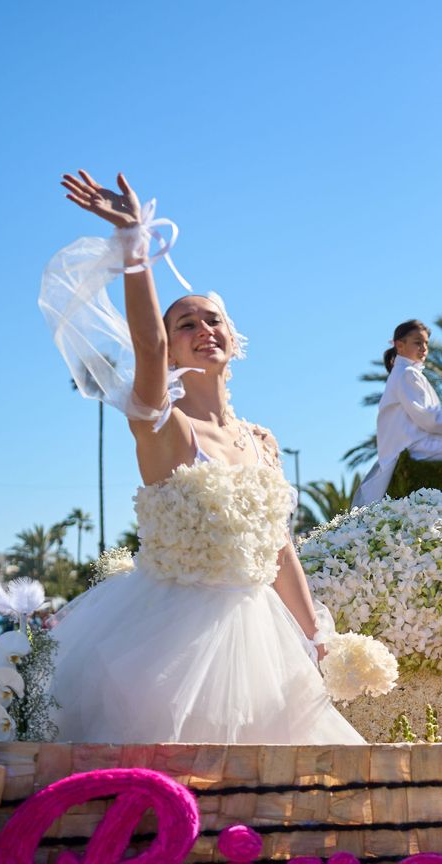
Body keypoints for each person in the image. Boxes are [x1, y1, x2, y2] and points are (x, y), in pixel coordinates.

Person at [41, 170, 362, 745]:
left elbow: (279, 547)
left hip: (263, 639)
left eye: (212, 319)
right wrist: (136, 249)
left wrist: (315, 635)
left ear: (232, 339)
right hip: (170, 640)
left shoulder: (261, 442)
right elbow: (147, 346)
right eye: (185, 323)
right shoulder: (160, 423)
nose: (202, 329)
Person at [352, 320, 442, 507]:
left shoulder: (404, 373)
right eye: (418, 342)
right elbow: (429, 420)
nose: (424, 348)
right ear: (399, 345)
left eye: (426, 343)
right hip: (418, 445)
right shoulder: (407, 374)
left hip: (415, 443)